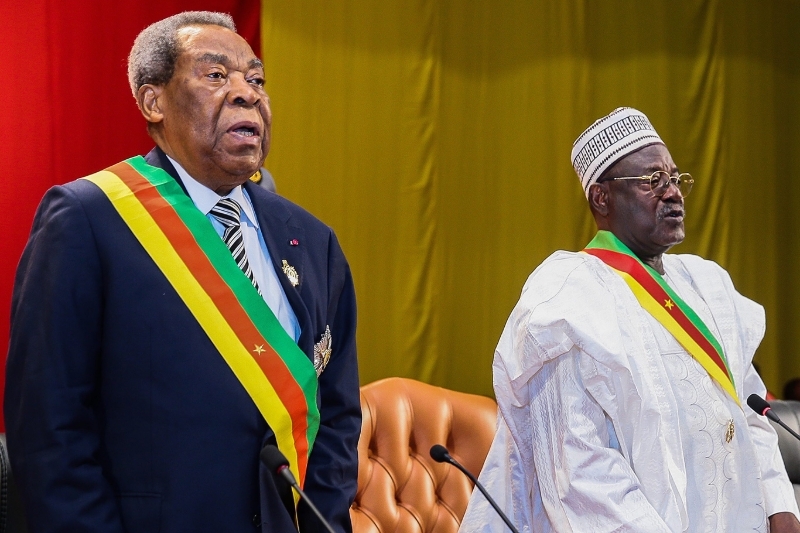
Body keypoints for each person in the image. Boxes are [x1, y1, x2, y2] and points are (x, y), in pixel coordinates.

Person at [5, 11, 360, 533]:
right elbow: (49, 426)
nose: (248, 94)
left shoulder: (311, 239)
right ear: (154, 102)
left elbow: (337, 415)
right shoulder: (89, 218)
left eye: (256, 79)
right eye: (217, 76)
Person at [460, 107, 800, 532]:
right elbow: (581, 476)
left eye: (675, 179)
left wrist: (781, 509)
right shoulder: (567, 298)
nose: (672, 192)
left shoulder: (705, 285)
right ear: (601, 197)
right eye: (651, 181)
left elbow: (753, 411)